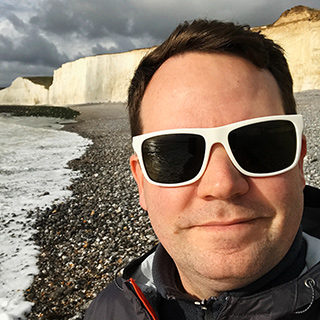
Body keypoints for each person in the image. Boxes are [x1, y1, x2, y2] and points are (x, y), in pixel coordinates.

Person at [84, 19, 320, 319]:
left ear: (299, 162)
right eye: (177, 153)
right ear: (141, 182)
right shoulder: (108, 312)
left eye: (258, 146)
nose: (222, 185)